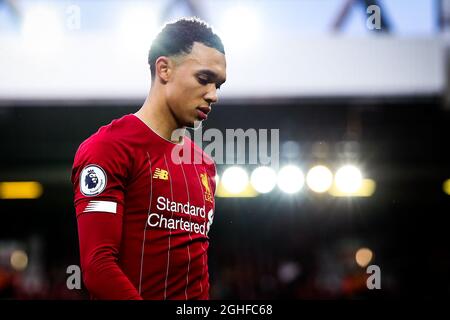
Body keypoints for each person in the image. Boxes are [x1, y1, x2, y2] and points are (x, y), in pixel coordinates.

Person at [71, 17, 226, 300]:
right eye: (204, 79)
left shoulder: (204, 165)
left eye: (219, 85)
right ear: (164, 69)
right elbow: (97, 267)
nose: (213, 95)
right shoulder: (108, 149)